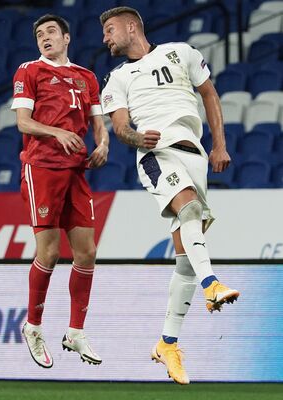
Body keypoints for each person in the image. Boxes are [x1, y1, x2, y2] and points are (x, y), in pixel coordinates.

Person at [99, 7, 240, 384]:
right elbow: (120, 127)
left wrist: (219, 145)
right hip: (157, 154)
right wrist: (135, 138)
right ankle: (213, 284)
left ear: (132, 27)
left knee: (184, 261)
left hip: (194, 153)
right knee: (190, 208)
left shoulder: (182, 52)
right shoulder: (116, 78)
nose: (105, 38)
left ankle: (167, 344)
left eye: (110, 30)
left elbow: (209, 93)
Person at [11, 13, 109, 369]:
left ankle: (75, 331)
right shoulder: (29, 71)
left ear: (66, 38)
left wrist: (103, 144)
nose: (45, 38)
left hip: (76, 170)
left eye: (51, 32)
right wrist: (56, 133)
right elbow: (22, 121)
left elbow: (99, 122)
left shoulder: (86, 77)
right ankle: (33, 326)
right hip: (42, 167)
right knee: (49, 253)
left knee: (87, 252)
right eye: (39, 34)